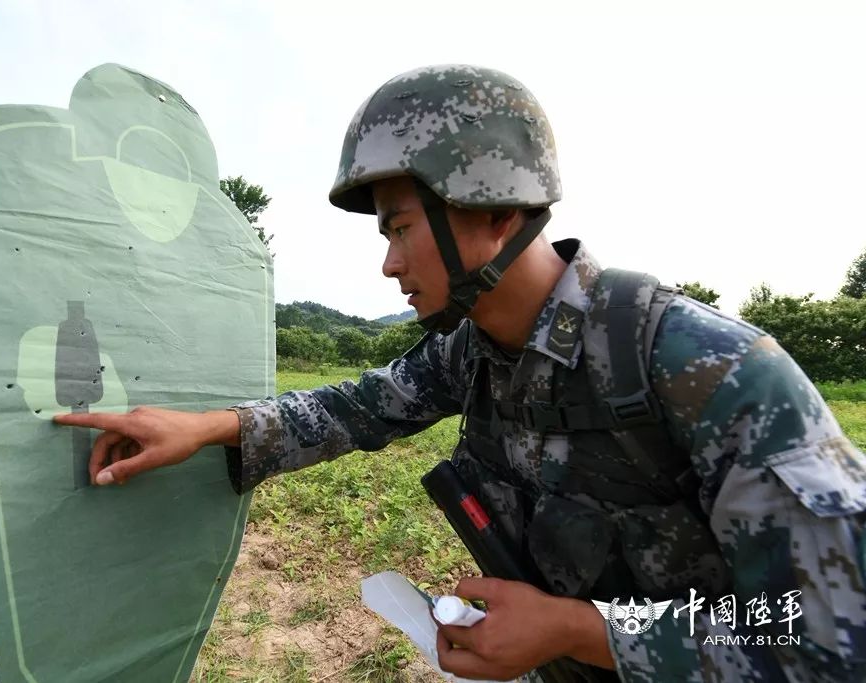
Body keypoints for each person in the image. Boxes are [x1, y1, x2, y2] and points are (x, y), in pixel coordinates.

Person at [55, 65, 866, 681]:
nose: (388, 263)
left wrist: (578, 629)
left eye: (401, 227)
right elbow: (362, 406)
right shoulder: (475, 347)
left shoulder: (709, 369)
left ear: (495, 213)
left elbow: (830, 633)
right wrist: (206, 426)